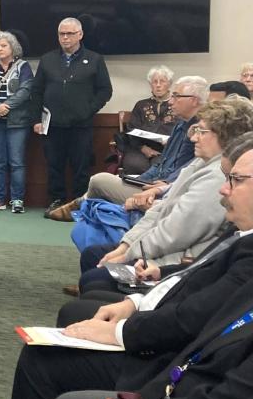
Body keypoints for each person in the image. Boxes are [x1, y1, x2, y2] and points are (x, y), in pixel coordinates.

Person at [0, 133, 253, 399]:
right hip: (170, 371)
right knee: (82, 304)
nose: (224, 188)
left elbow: (194, 325)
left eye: (235, 180)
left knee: (45, 359)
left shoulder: (247, 250)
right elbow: (193, 277)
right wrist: (135, 298)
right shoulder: (239, 234)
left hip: (170, 379)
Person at [74, 98, 253, 281]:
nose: (193, 137)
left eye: (201, 131)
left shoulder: (217, 176)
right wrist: (125, 246)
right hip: (161, 251)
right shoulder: (201, 162)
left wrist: (128, 255)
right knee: (93, 256)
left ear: (224, 136)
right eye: (195, 130)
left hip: (175, 262)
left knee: (95, 277)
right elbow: (161, 209)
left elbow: (174, 233)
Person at [47, 76, 205, 220]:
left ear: (195, 100)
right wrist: (139, 180)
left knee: (99, 180)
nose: (171, 101)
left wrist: (165, 185)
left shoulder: (202, 132)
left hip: (165, 193)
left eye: (176, 96)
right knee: (109, 180)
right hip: (151, 183)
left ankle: (80, 208)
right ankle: (83, 210)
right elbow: (161, 163)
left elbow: (190, 169)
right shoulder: (181, 125)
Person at [30, 17, 113, 212]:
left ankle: (79, 202)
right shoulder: (47, 59)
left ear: (80, 35)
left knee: (81, 166)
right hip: (52, 124)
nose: (65, 38)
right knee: (54, 166)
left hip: (81, 125)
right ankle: (56, 201)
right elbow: (36, 91)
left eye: (70, 34)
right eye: (62, 34)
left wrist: (87, 109)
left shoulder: (94, 59)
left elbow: (105, 91)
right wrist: (35, 119)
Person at [0, 31, 34, 214]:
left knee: (17, 162)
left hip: (17, 122)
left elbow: (26, 90)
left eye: (4, 46)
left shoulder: (23, 67)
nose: (0, 49)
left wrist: (6, 106)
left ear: (13, 47)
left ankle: (17, 199)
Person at [116, 66, 177, 175]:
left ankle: (155, 191)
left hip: (167, 150)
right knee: (134, 165)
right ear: (150, 85)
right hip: (140, 148)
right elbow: (132, 129)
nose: (158, 85)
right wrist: (144, 148)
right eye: (154, 82)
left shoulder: (177, 105)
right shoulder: (141, 105)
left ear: (169, 84)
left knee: (161, 167)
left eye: (162, 81)